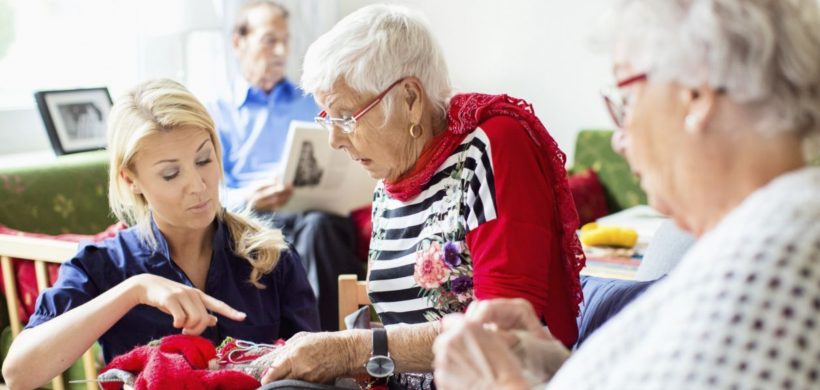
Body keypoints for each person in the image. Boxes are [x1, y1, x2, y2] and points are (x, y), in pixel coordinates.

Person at [432, 0, 820, 388]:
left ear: (696, 92)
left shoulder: (776, 261)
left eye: (626, 100)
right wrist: (551, 368)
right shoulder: (748, 238)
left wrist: (495, 382)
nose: (619, 138)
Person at [256, 4, 586, 389]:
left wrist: (350, 350)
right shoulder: (390, 180)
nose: (334, 140)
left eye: (345, 116)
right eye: (328, 118)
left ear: (410, 99)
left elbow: (502, 333)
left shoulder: (492, 146)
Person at [1, 79, 320, 390]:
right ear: (131, 181)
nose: (198, 185)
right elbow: (19, 375)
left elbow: (313, 375)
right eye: (171, 174)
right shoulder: (103, 266)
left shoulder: (271, 257)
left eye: (204, 159)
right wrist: (134, 291)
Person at [208, 0, 364, 331]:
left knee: (322, 227)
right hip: (251, 216)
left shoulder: (310, 101)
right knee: (252, 238)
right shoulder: (216, 111)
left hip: (311, 215)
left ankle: (329, 344)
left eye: (285, 40)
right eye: (269, 40)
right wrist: (249, 197)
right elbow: (209, 189)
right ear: (239, 42)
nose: (281, 50)